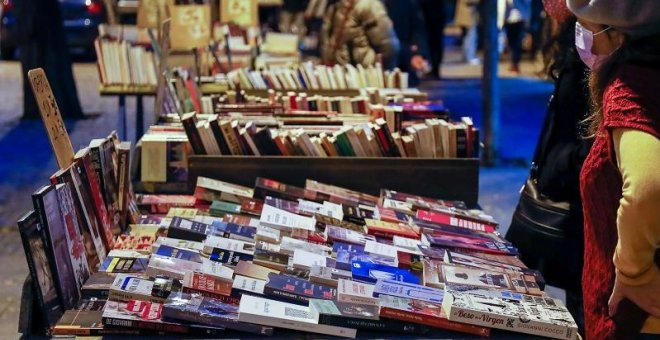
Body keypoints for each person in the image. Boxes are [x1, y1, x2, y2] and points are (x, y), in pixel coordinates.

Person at [566, 0, 660, 338]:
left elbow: (649, 186)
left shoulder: (630, 89)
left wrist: (635, 273)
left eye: (588, 30)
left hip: (638, 320)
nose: (583, 40)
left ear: (618, 36)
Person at [506, 0, 591, 331]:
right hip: (573, 198)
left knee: (587, 306)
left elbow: (586, 136)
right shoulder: (580, 47)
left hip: (582, 207)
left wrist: (555, 170)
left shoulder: (592, 53)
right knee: (580, 303)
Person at [320, 0, 400, 69]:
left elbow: (388, 47)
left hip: (364, 78)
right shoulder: (334, 6)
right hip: (340, 76)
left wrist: (375, 73)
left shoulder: (369, 5)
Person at [381, 0, 430, 85]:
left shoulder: (406, 3)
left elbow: (417, 28)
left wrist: (418, 53)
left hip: (404, 68)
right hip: (376, 69)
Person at [420, 0, 447, 79]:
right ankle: (435, 68)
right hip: (436, 16)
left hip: (431, 18)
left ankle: (434, 68)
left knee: (433, 44)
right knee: (436, 44)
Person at [503, 0, 532, 73]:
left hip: (520, 18)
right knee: (511, 43)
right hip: (509, 19)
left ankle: (515, 64)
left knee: (517, 43)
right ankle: (513, 63)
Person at [454, 0, 480, 65]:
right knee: (470, 35)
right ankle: (469, 56)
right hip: (467, 13)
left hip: (467, 13)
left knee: (467, 36)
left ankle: (466, 56)